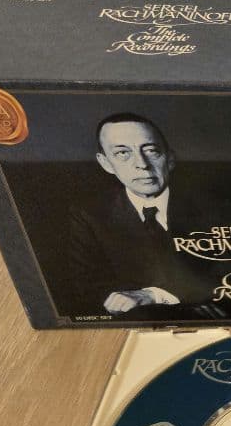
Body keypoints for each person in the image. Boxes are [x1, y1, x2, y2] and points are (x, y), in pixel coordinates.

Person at [67, 113, 207, 317]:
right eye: (123, 153)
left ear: (170, 159)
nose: (142, 163)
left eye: (151, 150)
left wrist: (154, 295)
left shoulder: (214, 206)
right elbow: (86, 286)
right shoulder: (89, 216)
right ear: (106, 163)